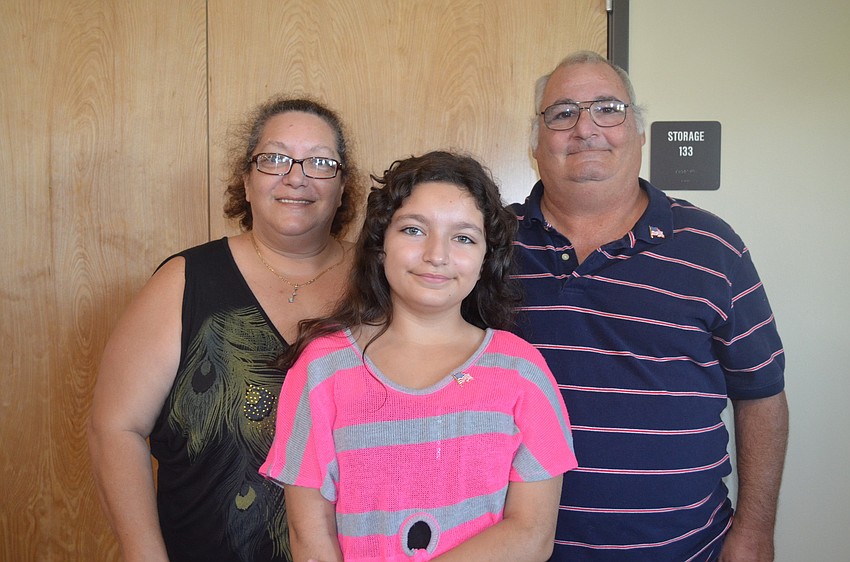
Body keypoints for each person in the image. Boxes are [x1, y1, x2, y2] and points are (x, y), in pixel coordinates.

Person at [509, 51, 788, 561]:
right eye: (562, 112)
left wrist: (753, 535)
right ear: (535, 141)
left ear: (638, 132)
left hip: (686, 550)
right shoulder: (484, 246)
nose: (585, 127)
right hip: (516, 549)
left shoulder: (712, 247)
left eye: (607, 109)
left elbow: (762, 397)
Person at [260, 151, 578, 562]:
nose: (437, 255)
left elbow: (532, 535)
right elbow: (309, 538)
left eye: (463, 237)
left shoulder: (522, 371)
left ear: (486, 259)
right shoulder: (322, 369)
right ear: (379, 247)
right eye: (413, 230)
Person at [87, 96, 365, 562]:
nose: (296, 176)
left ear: (341, 187)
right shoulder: (183, 281)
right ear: (247, 179)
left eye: (320, 163)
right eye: (275, 158)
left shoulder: (381, 282)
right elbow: (115, 427)